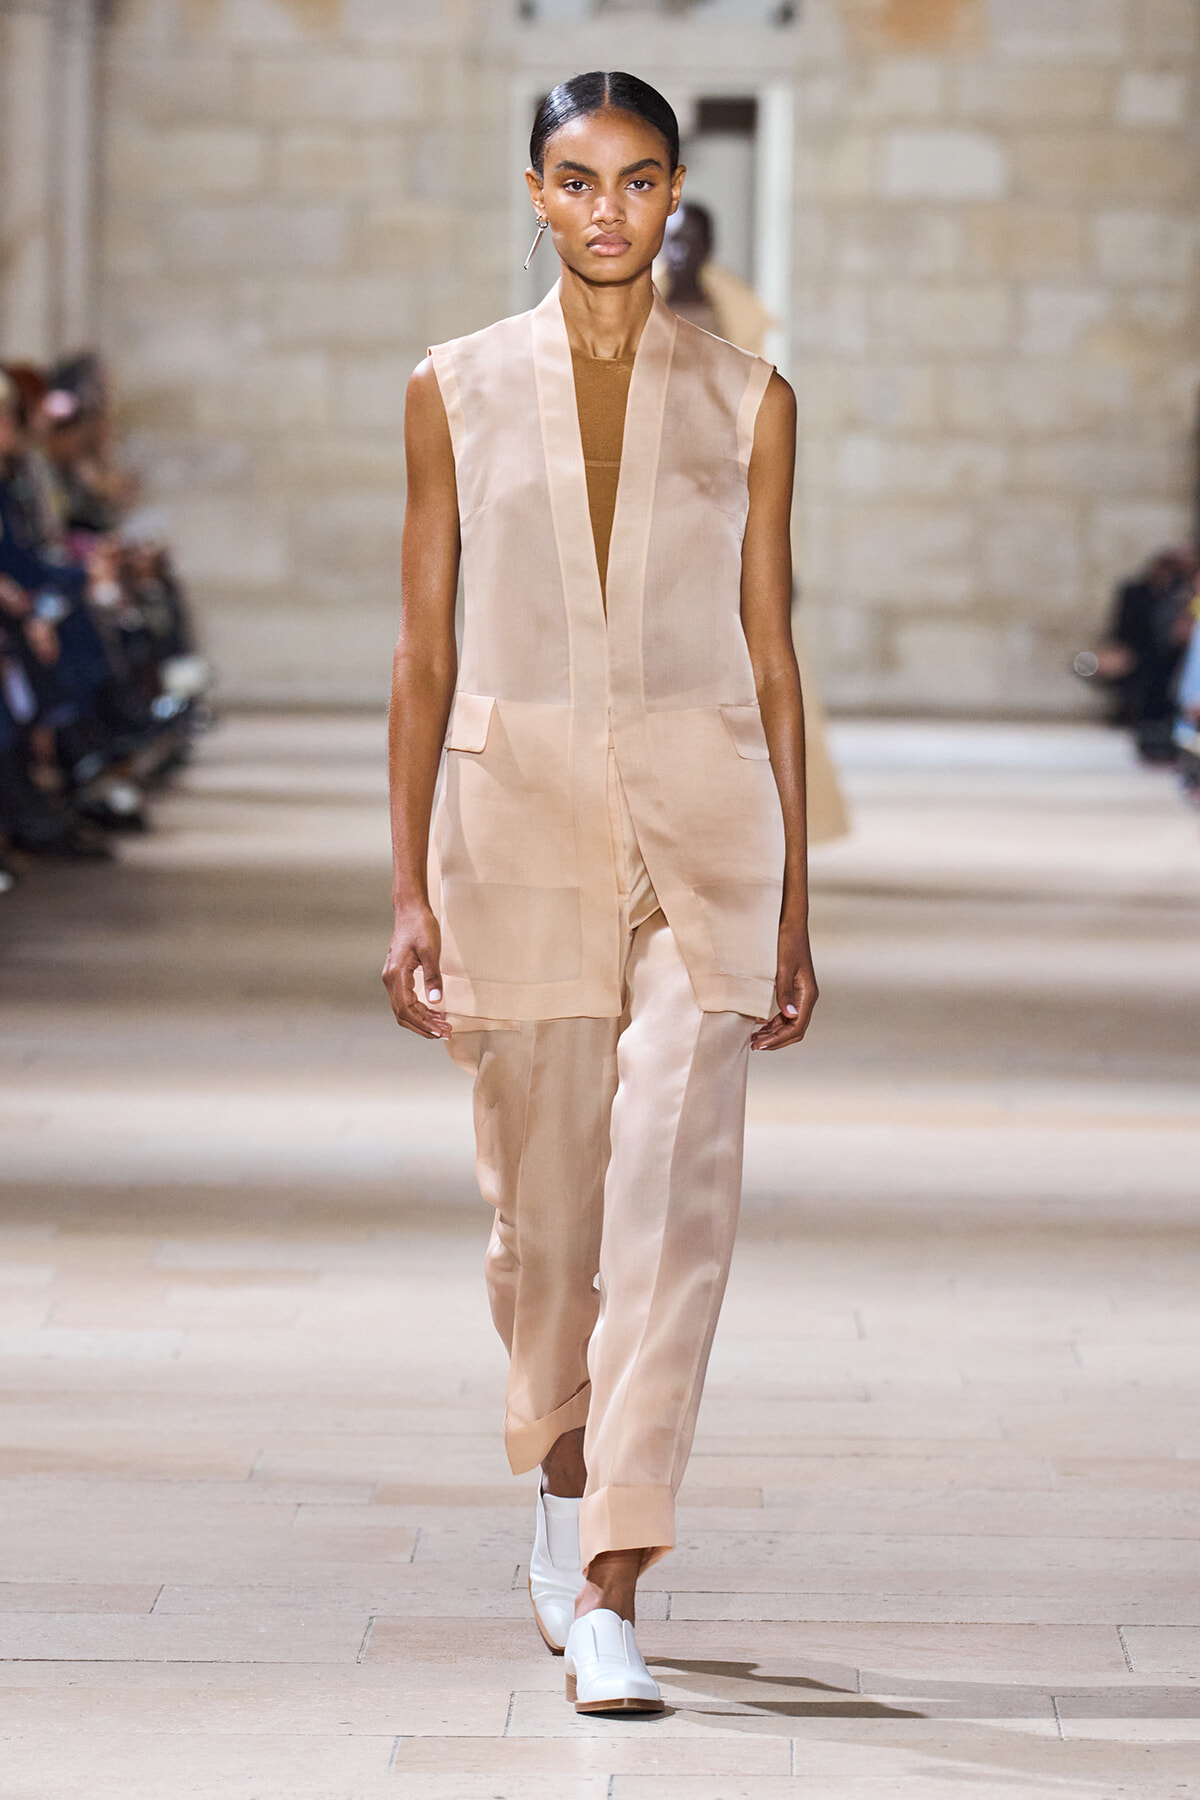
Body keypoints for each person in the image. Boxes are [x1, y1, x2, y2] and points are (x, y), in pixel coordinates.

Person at [383, 71, 818, 1715]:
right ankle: (561, 1483)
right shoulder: (452, 390)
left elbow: (774, 648)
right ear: (535, 191)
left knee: (671, 1195)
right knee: (545, 1218)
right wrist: (404, 885)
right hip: (511, 824)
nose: (609, 210)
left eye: (639, 181)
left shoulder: (751, 397)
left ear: (677, 193)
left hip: (705, 829)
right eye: (579, 181)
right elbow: (422, 644)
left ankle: (620, 1569)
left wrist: (794, 906)